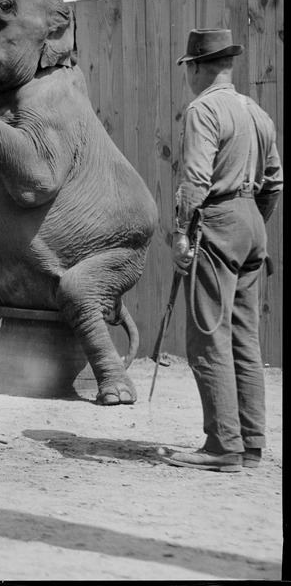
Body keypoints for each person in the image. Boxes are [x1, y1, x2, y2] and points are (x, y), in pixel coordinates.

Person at [162, 29, 282, 472]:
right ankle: (250, 445)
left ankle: (222, 447)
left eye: (188, 69)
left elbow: (194, 180)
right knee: (244, 337)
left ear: (195, 67)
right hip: (252, 223)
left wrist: (180, 234)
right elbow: (275, 182)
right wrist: (250, 223)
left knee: (208, 334)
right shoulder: (256, 112)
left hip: (217, 221)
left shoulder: (203, 109)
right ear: (227, 64)